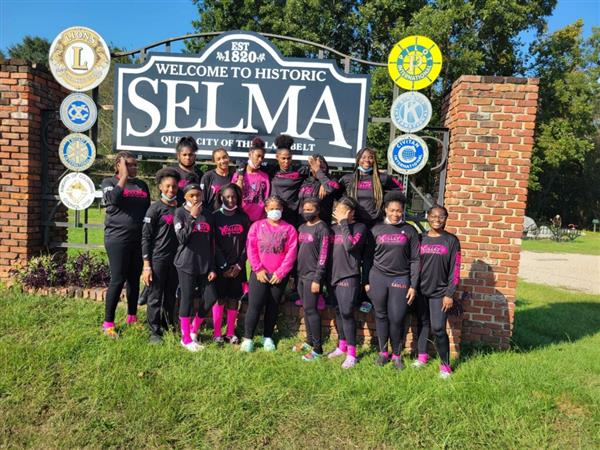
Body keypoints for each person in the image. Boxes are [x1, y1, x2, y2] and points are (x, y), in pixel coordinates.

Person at [365, 191, 420, 369]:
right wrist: (366, 281)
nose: (396, 214)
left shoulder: (410, 230)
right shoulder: (376, 229)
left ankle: (396, 355)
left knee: (397, 317)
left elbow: (415, 259)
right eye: (392, 210)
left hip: (400, 278)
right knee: (380, 316)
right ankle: (383, 353)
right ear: (385, 210)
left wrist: (413, 285)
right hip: (378, 277)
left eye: (399, 211)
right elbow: (367, 258)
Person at [100, 152, 150, 338]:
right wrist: (123, 177)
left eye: (135, 165)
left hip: (138, 239)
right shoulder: (109, 183)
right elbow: (112, 199)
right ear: (118, 165)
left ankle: (132, 317)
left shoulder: (142, 185)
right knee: (118, 279)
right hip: (117, 239)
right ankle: (108, 323)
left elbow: (146, 211)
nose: (134, 168)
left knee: (133, 279)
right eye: (129, 164)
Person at [241, 195, 298, 352]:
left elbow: (291, 253)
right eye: (271, 208)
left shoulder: (289, 229)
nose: (275, 211)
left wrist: (281, 273)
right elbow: (251, 249)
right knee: (255, 305)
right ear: (266, 209)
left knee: (273, 305)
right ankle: (248, 339)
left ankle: (268, 337)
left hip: (278, 276)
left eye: (278, 209)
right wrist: (258, 269)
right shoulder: (257, 227)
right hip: (259, 273)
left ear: (282, 209)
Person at [414, 205, 461, 379]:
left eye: (441, 216)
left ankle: (445, 366)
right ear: (428, 216)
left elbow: (455, 270)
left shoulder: (451, 240)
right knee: (422, 323)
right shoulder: (420, 238)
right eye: (433, 216)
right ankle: (422, 356)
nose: (437, 219)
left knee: (438, 328)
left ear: (446, 218)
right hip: (420, 290)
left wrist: (450, 293)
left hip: (440, 292)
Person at [173, 183, 217, 352]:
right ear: (185, 197)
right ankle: (185, 339)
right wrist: (192, 217)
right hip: (186, 263)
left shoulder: (208, 215)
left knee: (211, 296)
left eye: (198, 195)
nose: (195, 198)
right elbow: (182, 238)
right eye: (191, 195)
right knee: (187, 299)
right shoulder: (180, 213)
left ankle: (193, 330)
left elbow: (212, 243)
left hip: (205, 265)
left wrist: (212, 267)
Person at [326, 197, 370, 369]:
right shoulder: (331, 229)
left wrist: (344, 222)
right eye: (337, 210)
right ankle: (341, 345)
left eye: (342, 211)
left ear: (350, 212)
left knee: (347, 312)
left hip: (349, 276)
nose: (337, 213)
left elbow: (349, 245)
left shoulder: (360, 228)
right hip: (332, 276)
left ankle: (352, 354)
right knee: (338, 311)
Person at [141, 168, 181, 343]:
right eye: (167, 186)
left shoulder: (181, 209)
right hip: (158, 260)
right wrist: (146, 265)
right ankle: (154, 332)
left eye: (174, 186)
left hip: (176, 261)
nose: (171, 190)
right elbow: (146, 238)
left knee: (171, 296)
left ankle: (167, 326)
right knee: (155, 296)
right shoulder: (154, 209)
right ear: (160, 187)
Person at [211, 184, 250, 345]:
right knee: (219, 298)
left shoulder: (243, 217)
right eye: (227, 196)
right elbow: (213, 243)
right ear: (221, 197)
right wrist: (224, 266)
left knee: (234, 298)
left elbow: (248, 243)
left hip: (238, 267)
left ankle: (230, 332)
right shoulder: (214, 217)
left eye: (233, 196)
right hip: (221, 267)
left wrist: (239, 265)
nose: (230, 199)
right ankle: (217, 333)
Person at [294, 197, 330, 361]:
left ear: (318, 210)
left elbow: (323, 255)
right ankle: (309, 341)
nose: (307, 212)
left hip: (312, 276)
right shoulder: (302, 227)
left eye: (310, 209)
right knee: (306, 310)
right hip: (301, 274)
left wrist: (317, 278)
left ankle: (317, 348)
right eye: (305, 209)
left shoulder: (322, 228)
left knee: (311, 310)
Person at [339, 147, 403, 227]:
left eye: (370, 157)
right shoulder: (347, 178)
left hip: (376, 223)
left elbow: (400, 187)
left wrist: (386, 202)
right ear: (358, 160)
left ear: (374, 161)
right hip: (354, 222)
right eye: (363, 157)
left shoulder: (382, 178)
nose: (367, 160)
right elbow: (336, 193)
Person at [269, 134, 310, 227]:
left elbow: (315, 177)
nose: (286, 161)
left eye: (289, 158)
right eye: (283, 158)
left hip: (292, 214)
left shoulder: (300, 171)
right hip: (274, 212)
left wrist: (322, 185)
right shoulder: (271, 170)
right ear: (277, 157)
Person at [232, 137, 270, 222]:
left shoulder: (265, 177)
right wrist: (241, 177)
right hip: (240, 218)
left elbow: (266, 199)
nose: (260, 160)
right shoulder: (238, 174)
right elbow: (235, 194)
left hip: (258, 221)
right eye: (258, 156)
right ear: (250, 154)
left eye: (262, 157)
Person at [298, 154, 340, 222]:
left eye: (322, 167)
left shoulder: (332, 181)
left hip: (321, 224)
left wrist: (318, 171)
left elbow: (330, 188)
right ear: (311, 168)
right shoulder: (305, 181)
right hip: (302, 224)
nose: (320, 170)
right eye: (317, 167)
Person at [171, 136, 204, 205]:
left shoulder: (200, 174)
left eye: (190, 154)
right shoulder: (171, 173)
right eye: (184, 155)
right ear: (178, 155)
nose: (188, 158)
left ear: (195, 156)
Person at [201, 147, 234, 212]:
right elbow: (202, 199)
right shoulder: (208, 176)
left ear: (228, 157)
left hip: (230, 215)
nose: (222, 161)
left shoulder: (234, 176)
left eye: (224, 157)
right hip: (212, 215)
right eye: (218, 159)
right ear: (214, 161)